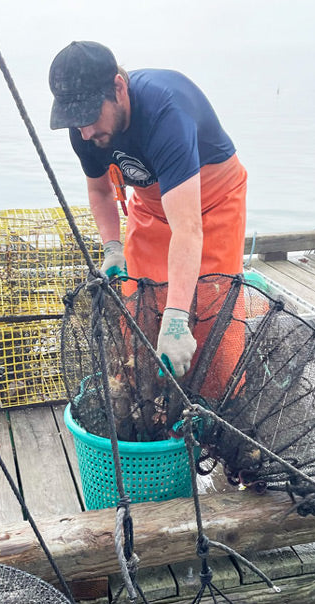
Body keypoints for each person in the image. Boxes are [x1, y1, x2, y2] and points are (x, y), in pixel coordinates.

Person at [49, 41, 247, 378]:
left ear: (119, 88)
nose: (85, 131)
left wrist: (175, 320)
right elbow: (100, 190)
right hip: (151, 205)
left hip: (211, 203)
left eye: (91, 116)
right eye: (76, 120)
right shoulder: (83, 130)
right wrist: (113, 248)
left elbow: (187, 228)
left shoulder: (166, 112)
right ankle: (149, 395)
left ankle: (214, 403)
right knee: (139, 310)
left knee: (211, 313)